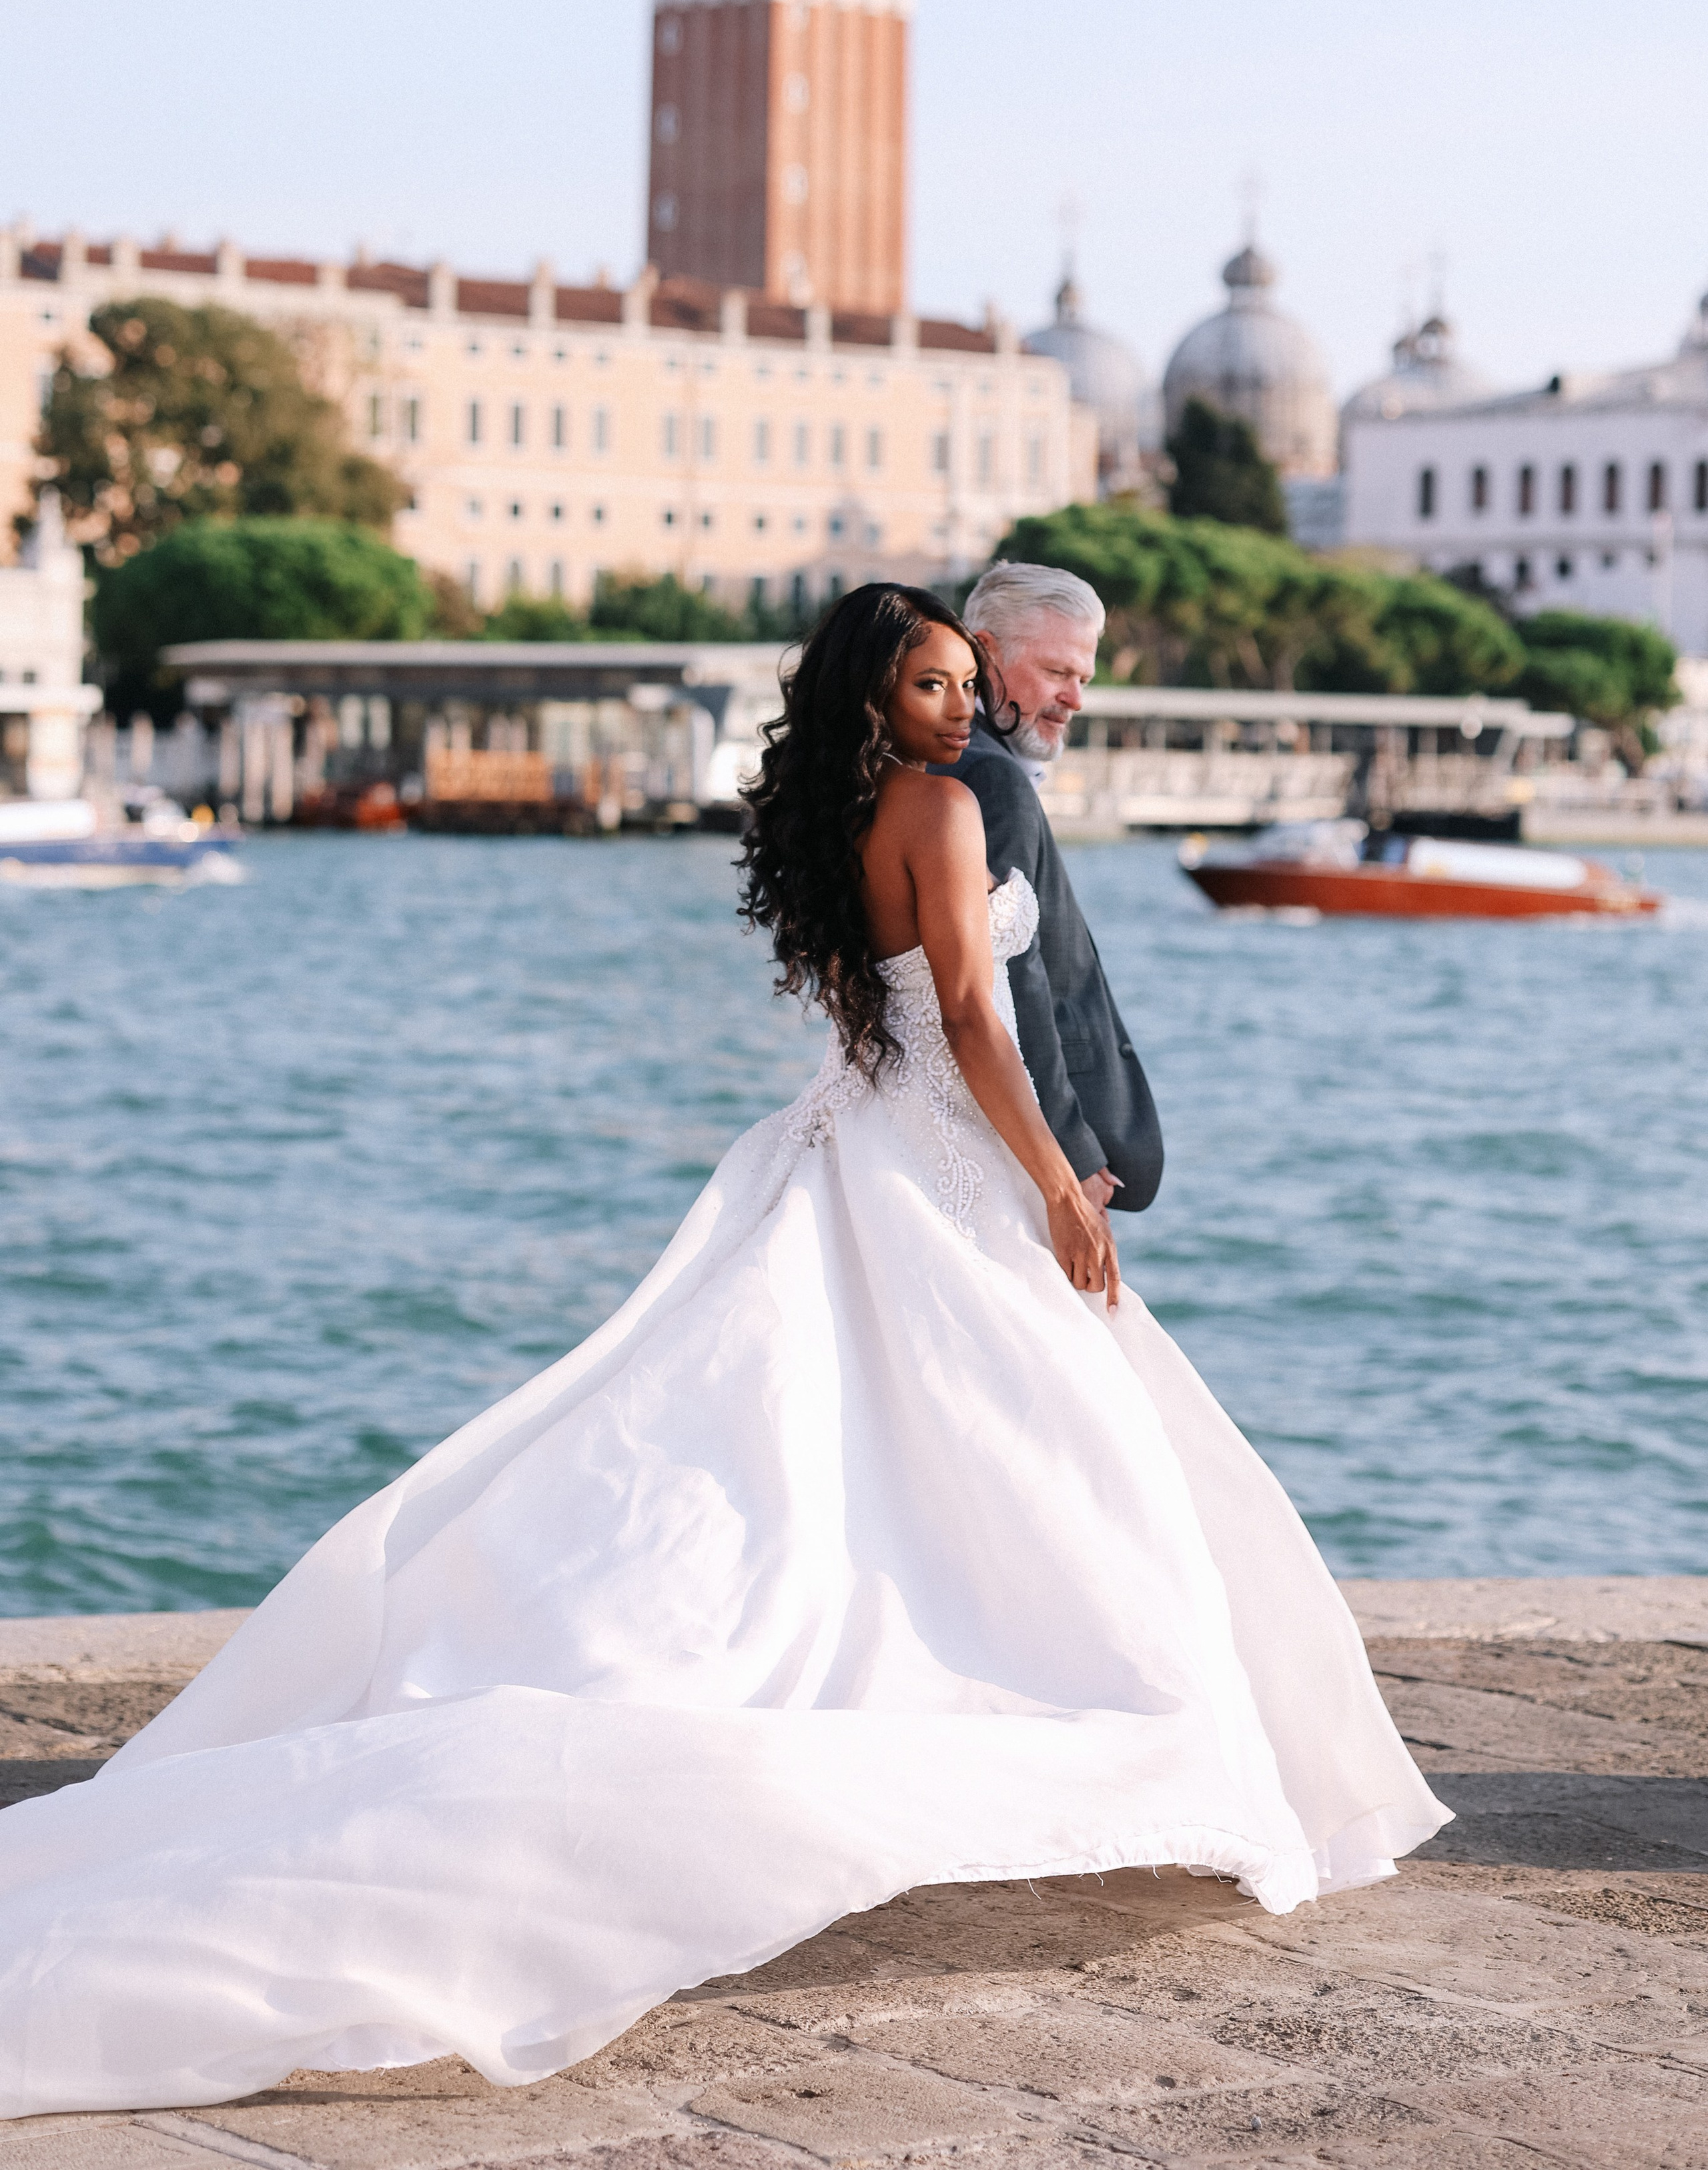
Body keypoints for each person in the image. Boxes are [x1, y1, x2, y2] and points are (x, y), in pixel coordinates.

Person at [0, 584, 1448, 2123]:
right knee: (1060, 1445)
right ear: (877, 697)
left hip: (849, 1137)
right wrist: (1051, 1187)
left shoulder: (829, 819)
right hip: (947, 1157)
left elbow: (889, 1011)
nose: (964, 710)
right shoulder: (945, 814)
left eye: (969, 684)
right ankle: (1126, 1734)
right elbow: (967, 1009)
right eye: (934, 684)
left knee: (906, 1440)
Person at [939, 561, 1162, 1231]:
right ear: (984, 653)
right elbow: (1008, 977)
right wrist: (1068, 1153)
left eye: (1084, 678)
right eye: (1058, 672)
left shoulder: (934, 760)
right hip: (1019, 1141)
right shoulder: (986, 777)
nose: (1076, 698)